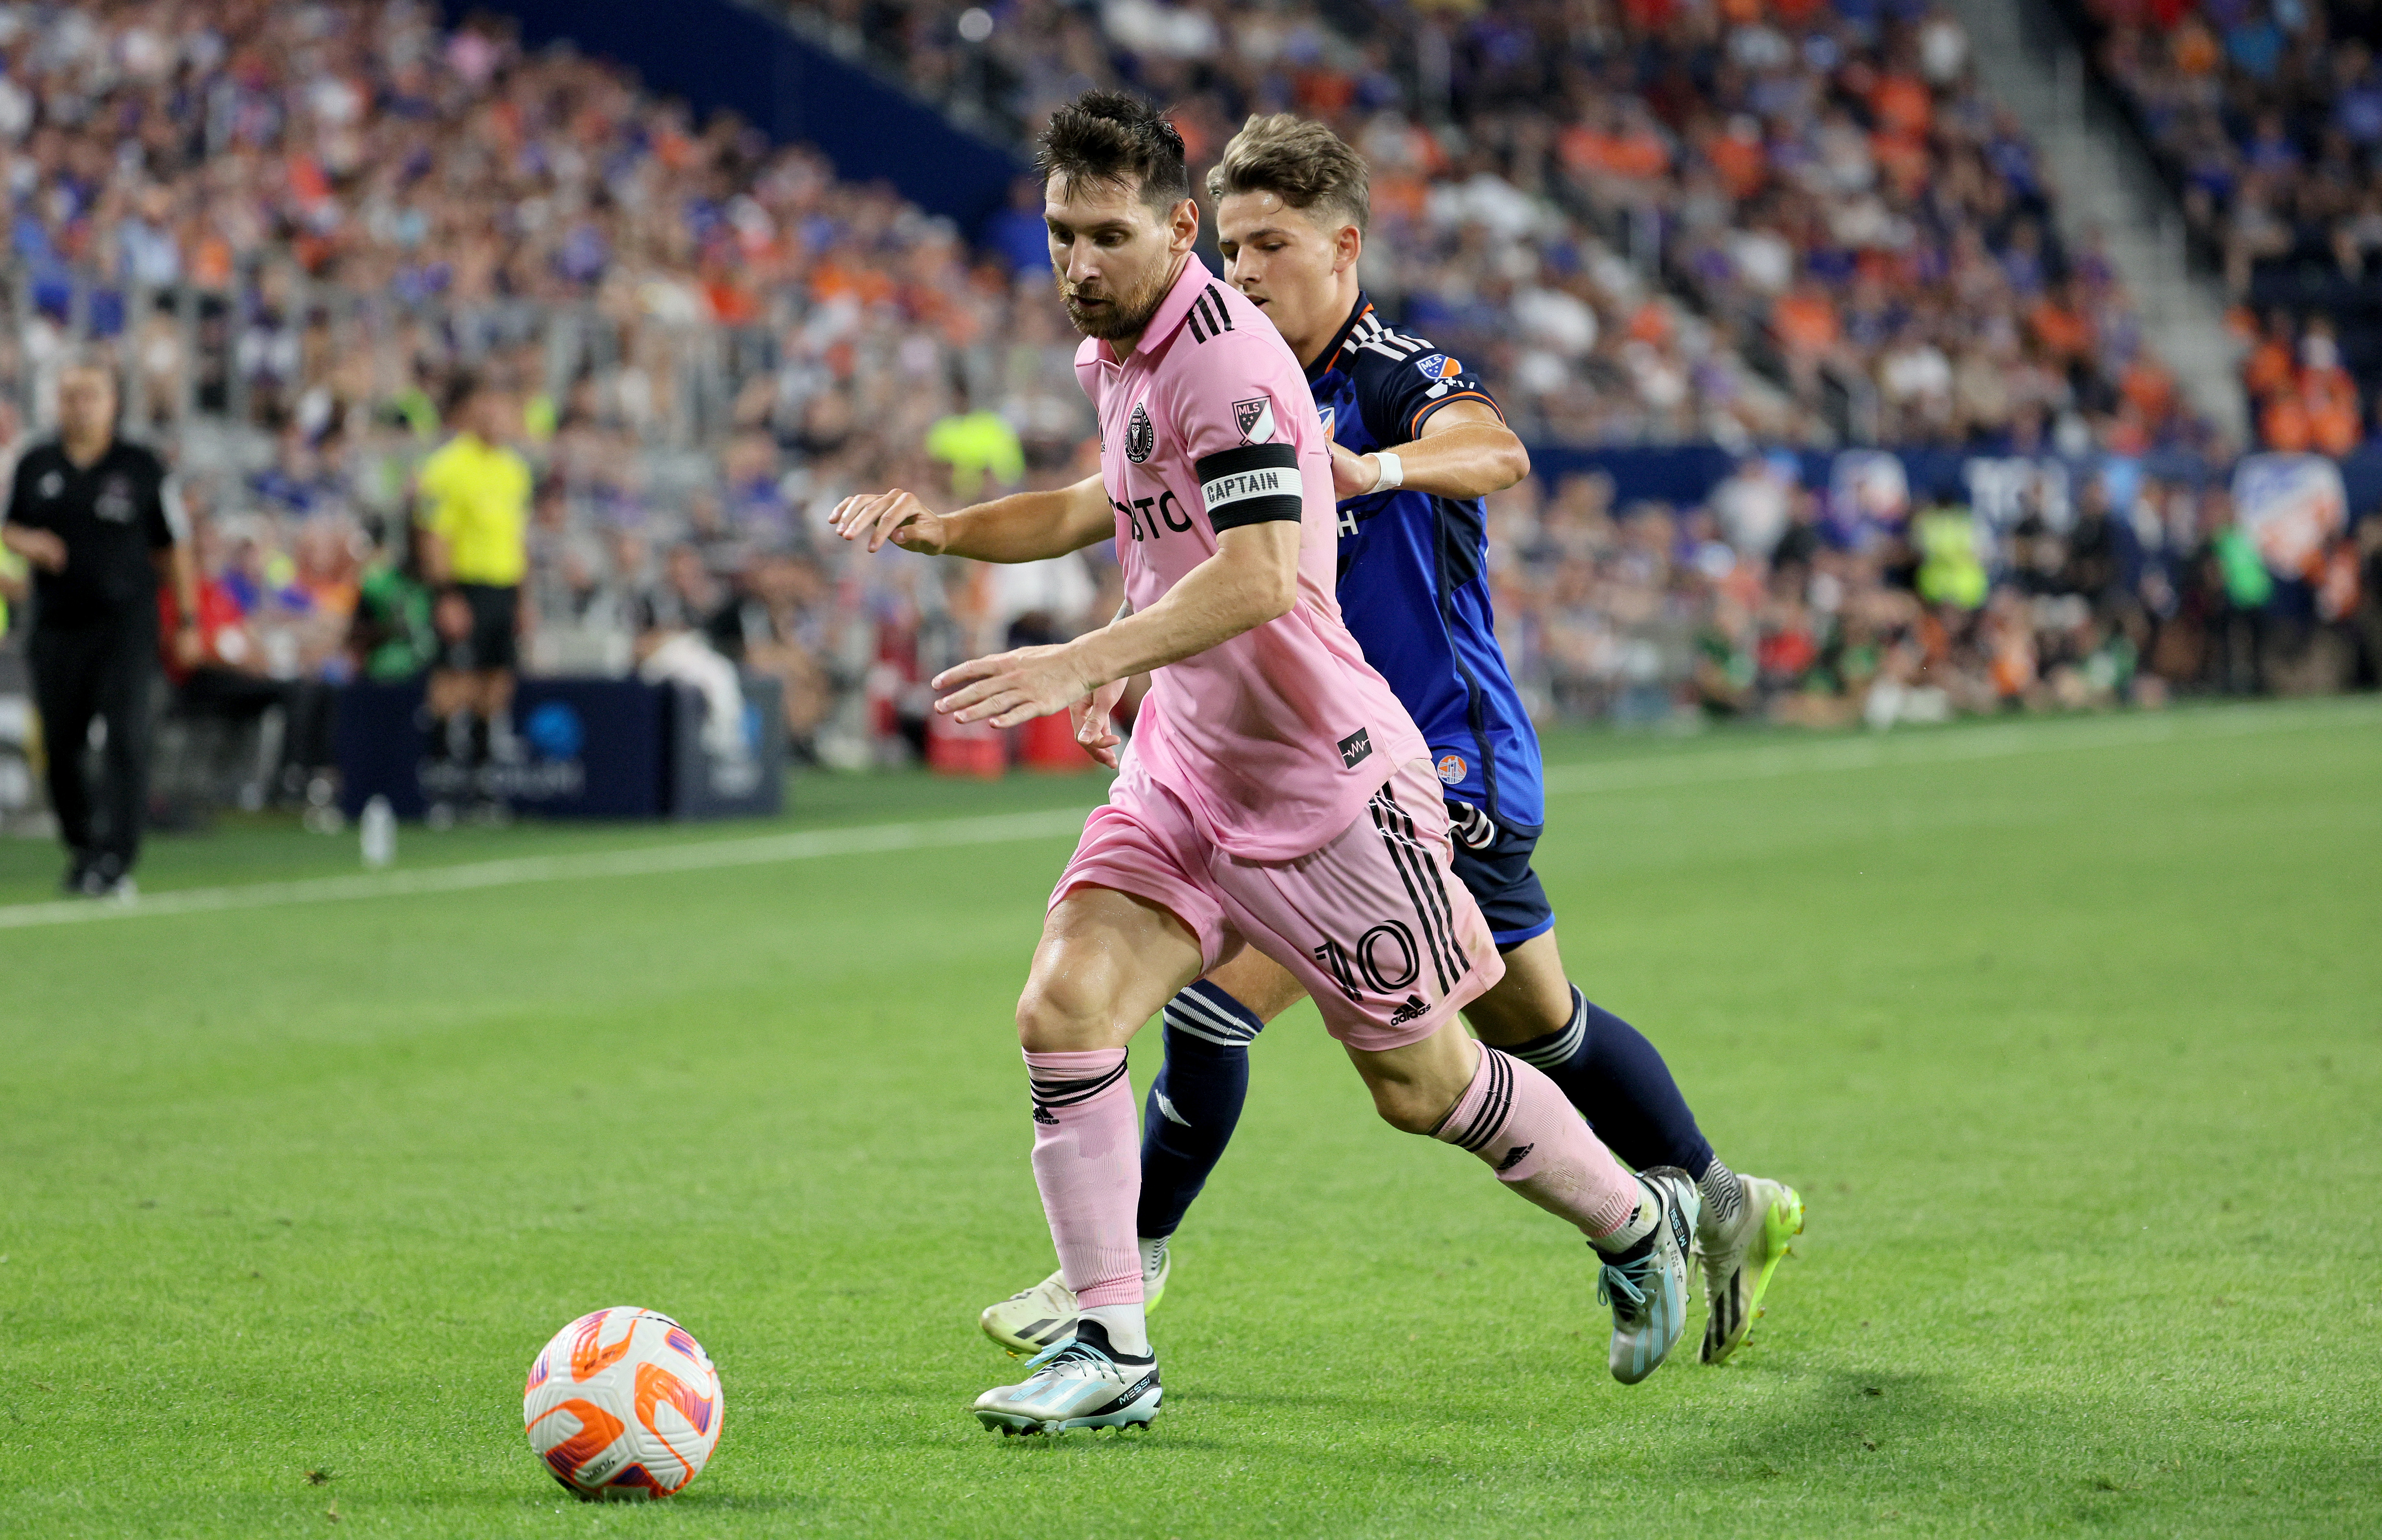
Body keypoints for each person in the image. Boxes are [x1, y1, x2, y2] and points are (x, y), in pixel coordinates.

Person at [833, 91, 1704, 1436]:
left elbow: (1252, 580)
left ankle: (1637, 1215)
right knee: (1066, 1011)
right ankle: (1111, 1345)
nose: (1077, 264)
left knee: (1425, 1086)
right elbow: (1107, 500)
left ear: (1177, 228)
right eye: (1061, 233)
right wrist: (943, 533)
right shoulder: (1119, 353)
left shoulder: (1230, 367)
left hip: (1325, 785)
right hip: (1188, 765)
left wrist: (1080, 658)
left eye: (1107, 236)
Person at [0, 357, 200, 896]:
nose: (80, 405)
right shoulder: (36, 462)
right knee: (62, 745)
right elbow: (9, 525)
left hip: (126, 624)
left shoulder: (141, 466)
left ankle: (117, 858)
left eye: (90, 394)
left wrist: (186, 617)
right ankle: (84, 845)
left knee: (127, 737)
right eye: (70, 395)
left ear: (113, 401)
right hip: (58, 625)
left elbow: (174, 544)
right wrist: (27, 544)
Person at [414, 372, 531, 819]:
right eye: (488, 408)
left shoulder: (513, 469)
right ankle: (441, 787)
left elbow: (518, 538)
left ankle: (482, 788)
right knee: (452, 683)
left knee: (495, 685)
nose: (496, 417)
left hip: (504, 586)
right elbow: (433, 536)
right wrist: (447, 595)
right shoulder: (446, 466)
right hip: (465, 586)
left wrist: (524, 598)